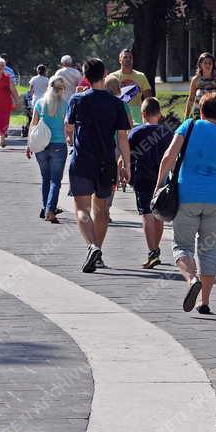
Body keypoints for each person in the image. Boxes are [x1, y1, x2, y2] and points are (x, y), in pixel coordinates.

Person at [156, 93, 216, 315]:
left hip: (187, 195)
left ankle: (192, 280)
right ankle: (205, 301)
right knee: (210, 250)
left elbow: (169, 156)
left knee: (182, 245)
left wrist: (159, 183)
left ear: (201, 111)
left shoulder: (189, 126)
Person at [65, 58, 131, 273]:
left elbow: (68, 127)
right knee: (101, 210)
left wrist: (72, 137)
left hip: (82, 160)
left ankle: (92, 247)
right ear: (105, 75)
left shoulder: (77, 100)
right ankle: (98, 252)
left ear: (85, 76)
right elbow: (123, 137)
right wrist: (127, 165)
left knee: (82, 209)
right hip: (106, 162)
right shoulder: (117, 103)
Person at [129, 96, 174, 269]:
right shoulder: (167, 132)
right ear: (159, 113)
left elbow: (129, 154)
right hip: (161, 178)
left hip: (142, 178)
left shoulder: (137, 132)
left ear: (144, 114)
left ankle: (152, 251)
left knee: (146, 214)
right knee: (159, 214)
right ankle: (156, 248)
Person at [28, 75, 68, 221]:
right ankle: (50, 210)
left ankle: (45, 207)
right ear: (62, 89)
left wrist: (29, 144)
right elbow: (67, 127)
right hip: (59, 145)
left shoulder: (39, 103)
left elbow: (33, 124)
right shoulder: (66, 104)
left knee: (46, 178)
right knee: (55, 180)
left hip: (40, 145)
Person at [186, 51, 216, 117]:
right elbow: (191, 99)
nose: (208, 65)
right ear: (200, 64)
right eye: (205, 63)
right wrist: (186, 116)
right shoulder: (195, 80)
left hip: (213, 114)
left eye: (210, 63)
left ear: (213, 65)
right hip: (198, 113)